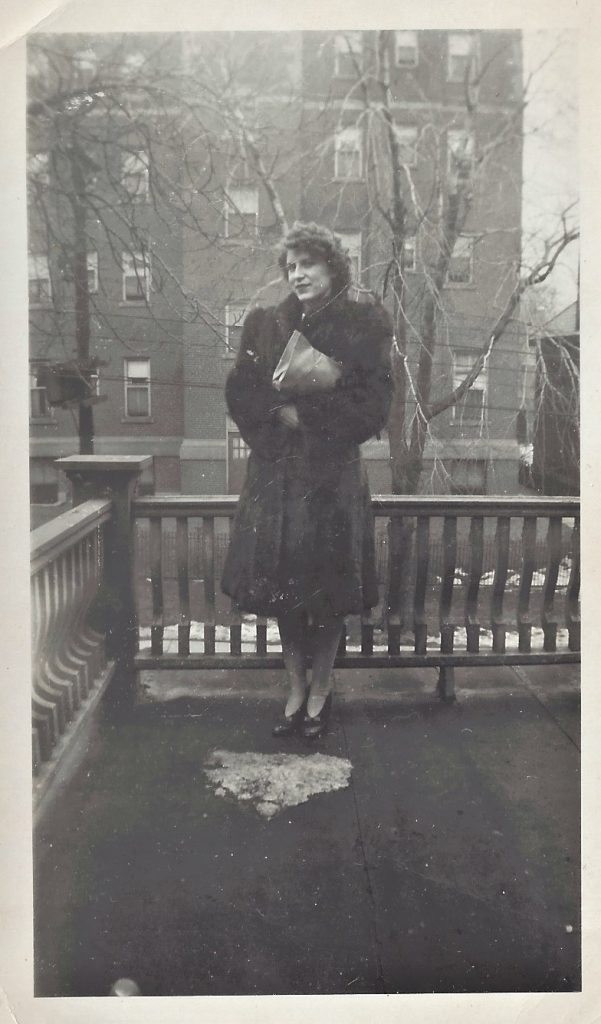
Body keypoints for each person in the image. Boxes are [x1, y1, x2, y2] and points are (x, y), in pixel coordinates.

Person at [221, 222, 393, 739]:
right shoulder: (264, 324)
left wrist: (312, 419)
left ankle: (321, 689)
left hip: (332, 480)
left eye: (307, 264)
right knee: (282, 592)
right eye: (290, 267)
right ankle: (294, 689)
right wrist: (279, 412)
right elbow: (241, 392)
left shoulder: (365, 324)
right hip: (276, 479)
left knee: (331, 590)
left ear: (332, 265)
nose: (297, 274)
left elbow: (374, 406)